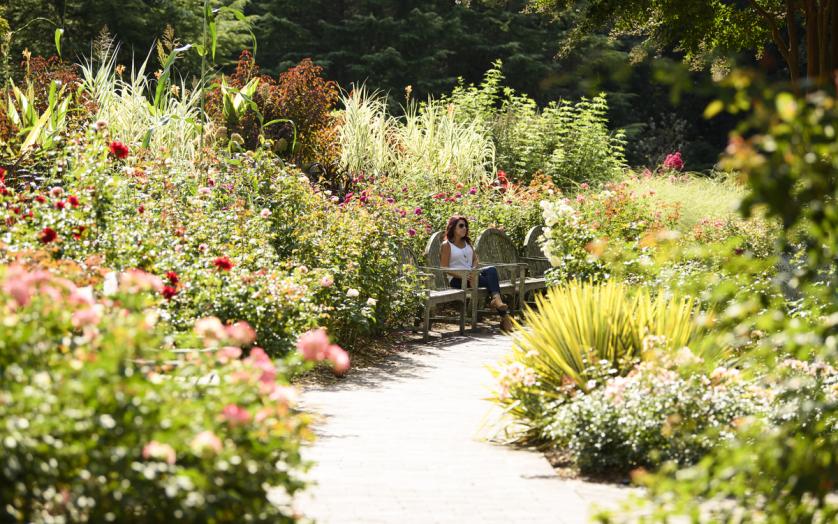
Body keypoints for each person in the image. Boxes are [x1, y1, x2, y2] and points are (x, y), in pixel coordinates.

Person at [439, 215, 513, 331]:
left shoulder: (467, 243)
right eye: (461, 226)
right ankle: (501, 310)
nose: (464, 228)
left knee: (491, 270)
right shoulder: (447, 245)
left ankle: (497, 302)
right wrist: (463, 275)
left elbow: (475, 260)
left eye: (466, 226)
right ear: (453, 227)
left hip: (472, 276)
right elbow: (443, 267)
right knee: (490, 282)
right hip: (457, 279)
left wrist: (473, 270)